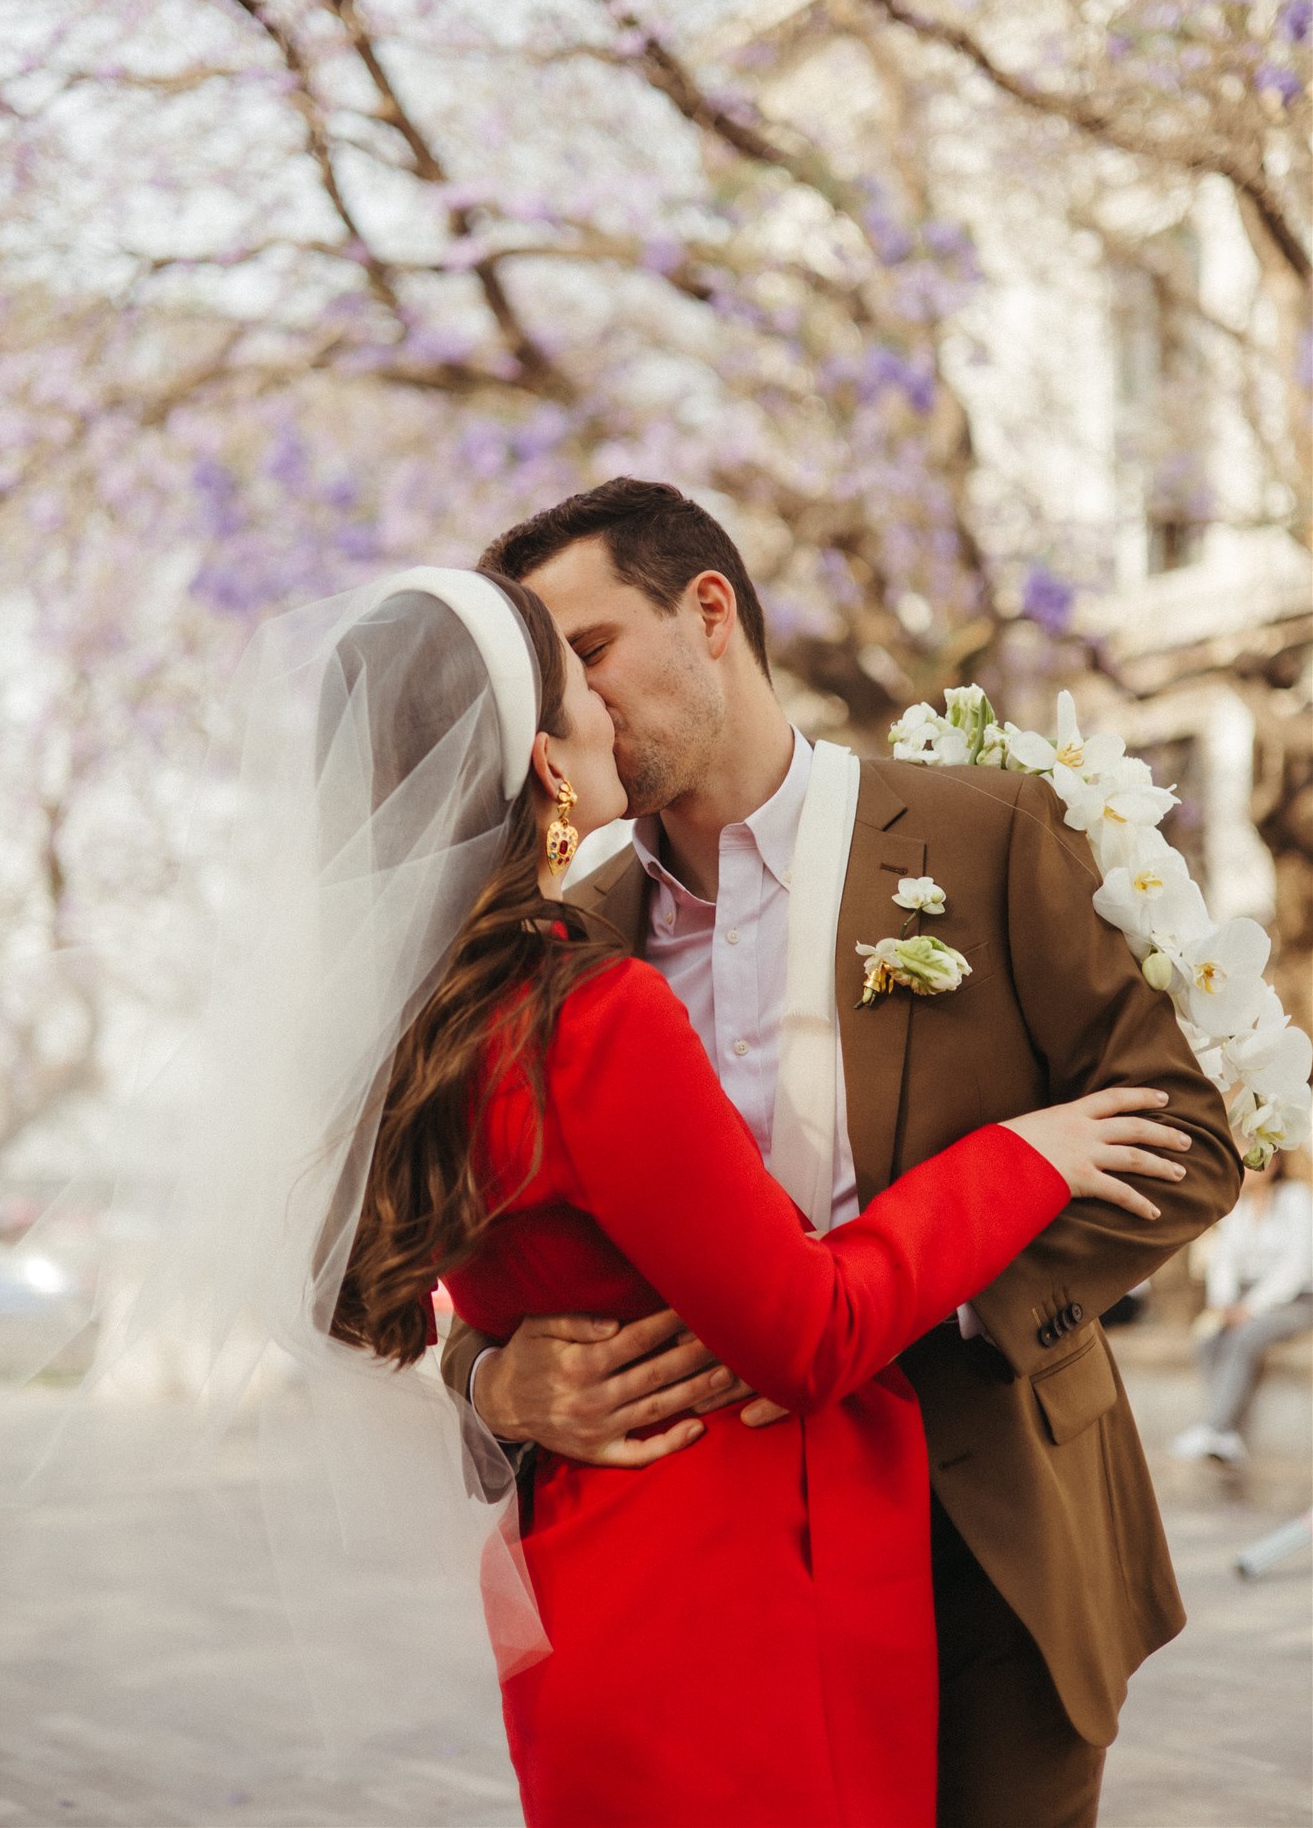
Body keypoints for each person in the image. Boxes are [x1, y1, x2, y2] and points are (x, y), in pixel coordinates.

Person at [328, 563, 1192, 1828]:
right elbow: (807, 1331)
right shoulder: (584, 995)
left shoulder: (414, 1020)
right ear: (540, 758)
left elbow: (362, 1294)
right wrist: (1022, 1156)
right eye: (571, 678)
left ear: (711, 612)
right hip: (750, 1596)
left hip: (656, 1594)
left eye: (596, 646)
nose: (598, 699)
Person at [1171, 1154, 1313, 1464]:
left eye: (1248, 1161)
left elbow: (1296, 1264)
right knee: (1208, 1339)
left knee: (1248, 1337)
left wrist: (1251, 1308)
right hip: (1243, 1298)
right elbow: (1224, 1260)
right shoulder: (1238, 1206)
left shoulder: (1296, 1199)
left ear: (1271, 1163)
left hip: (1296, 1299)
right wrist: (1224, 1304)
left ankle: (1215, 1427)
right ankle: (1225, 1434)